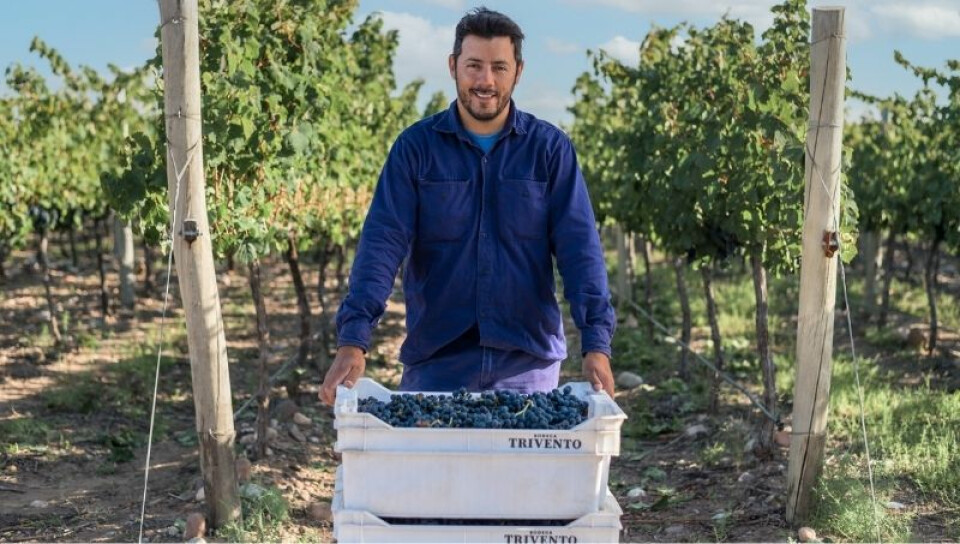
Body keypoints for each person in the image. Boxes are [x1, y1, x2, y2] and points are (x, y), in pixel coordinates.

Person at [319, 7, 615, 405]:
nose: (486, 80)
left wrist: (596, 343)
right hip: (437, 359)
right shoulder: (415, 149)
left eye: (499, 67)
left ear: (518, 71)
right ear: (453, 66)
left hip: (527, 364)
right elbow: (382, 244)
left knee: (525, 449)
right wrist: (354, 339)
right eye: (474, 65)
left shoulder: (549, 150)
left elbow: (580, 249)